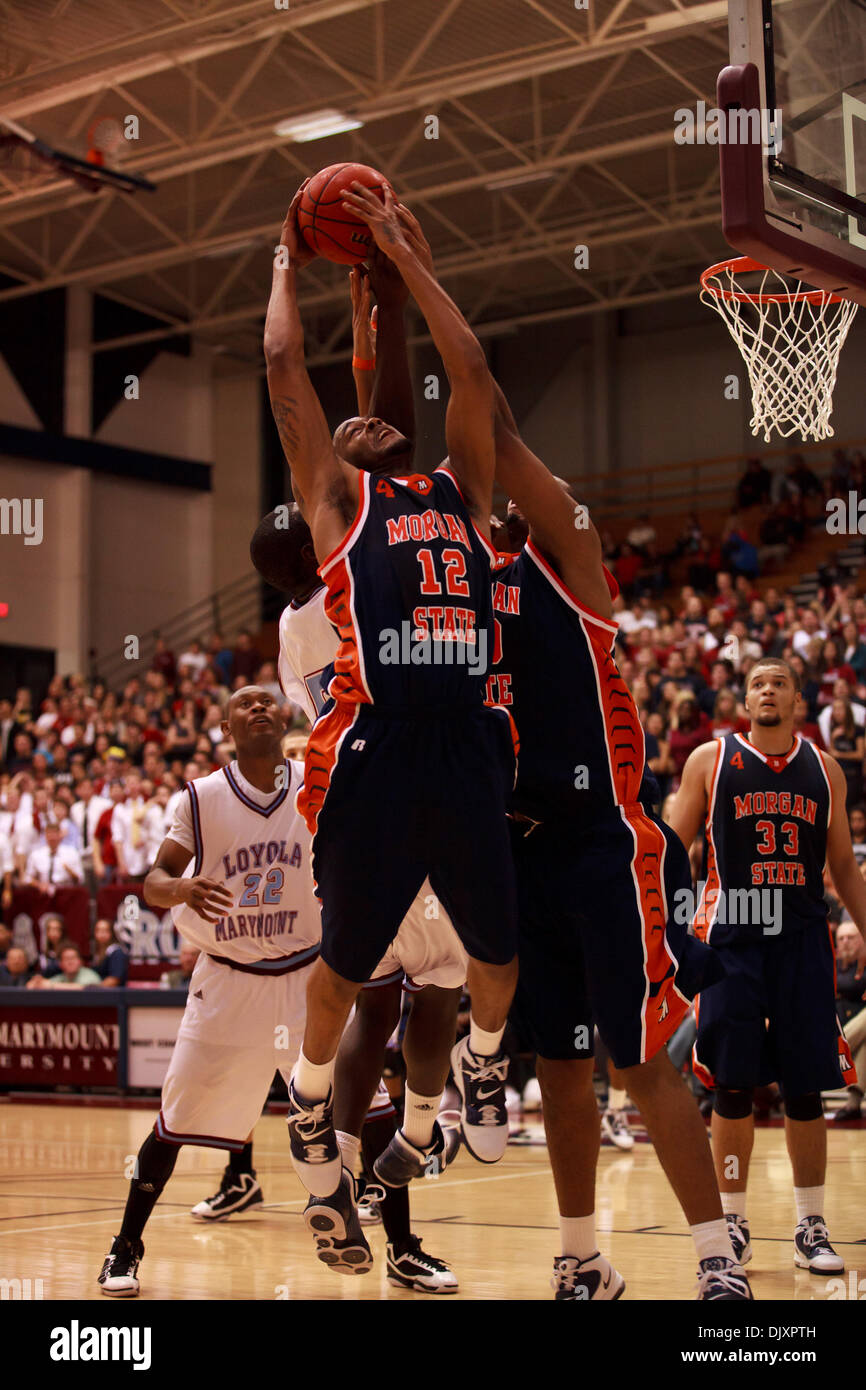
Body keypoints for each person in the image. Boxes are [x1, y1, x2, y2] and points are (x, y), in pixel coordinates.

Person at [265, 180, 518, 1199]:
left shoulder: (464, 486)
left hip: (462, 738)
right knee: (344, 966)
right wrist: (286, 252)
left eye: (376, 420)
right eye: (346, 427)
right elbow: (283, 365)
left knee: (496, 964)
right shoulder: (335, 506)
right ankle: (308, 1086)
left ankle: (486, 1064)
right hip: (376, 746)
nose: (362, 425)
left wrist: (402, 254)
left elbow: (471, 366)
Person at [486, 393, 750, 1300]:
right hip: (522, 852)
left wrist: (410, 275)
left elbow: (493, 417)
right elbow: (395, 476)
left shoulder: (574, 566)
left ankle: (718, 1260)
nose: (537, 494)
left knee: (636, 1062)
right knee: (560, 1066)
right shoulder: (467, 585)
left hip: (604, 840)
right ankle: (580, 1259)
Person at [97, 687, 322, 1297]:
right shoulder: (200, 797)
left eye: (266, 702)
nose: (257, 708)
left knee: (369, 1105)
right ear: (224, 728)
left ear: (285, 718)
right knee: (173, 1123)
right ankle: (125, 1247)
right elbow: (154, 880)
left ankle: (405, 1247)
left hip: (307, 973)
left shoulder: (317, 779)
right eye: (243, 705)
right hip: (228, 978)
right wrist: (182, 890)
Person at [669, 657, 866, 1276]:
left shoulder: (825, 769)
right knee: (732, 1085)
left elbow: (844, 866)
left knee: (804, 1089)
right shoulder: (710, 759)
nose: (768, 690)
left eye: (779, 682)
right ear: (745, 699)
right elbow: (674, 851)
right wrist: (668, 931)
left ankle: (811, 1224)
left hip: (802, 940)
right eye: (757, 682)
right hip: (730, 940)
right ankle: (731, 1220)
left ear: (798, 701)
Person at [832, 920, 866, 1121]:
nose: (845, 942)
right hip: (832, 1032)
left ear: (862, 940)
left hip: (854, 1038)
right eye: (841, 938)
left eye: (851, 938)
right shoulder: (829, 964)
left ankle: (852, 1105)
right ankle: (835, 1048)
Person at [92, 918, 129, 987]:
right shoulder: (98, 953)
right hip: (101, 994)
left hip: (115, 994)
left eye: (105, 931)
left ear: (112, 933)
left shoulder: (117, 952)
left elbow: (114, 980)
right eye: (98, 930)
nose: (101, 934)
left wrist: (93, 989)